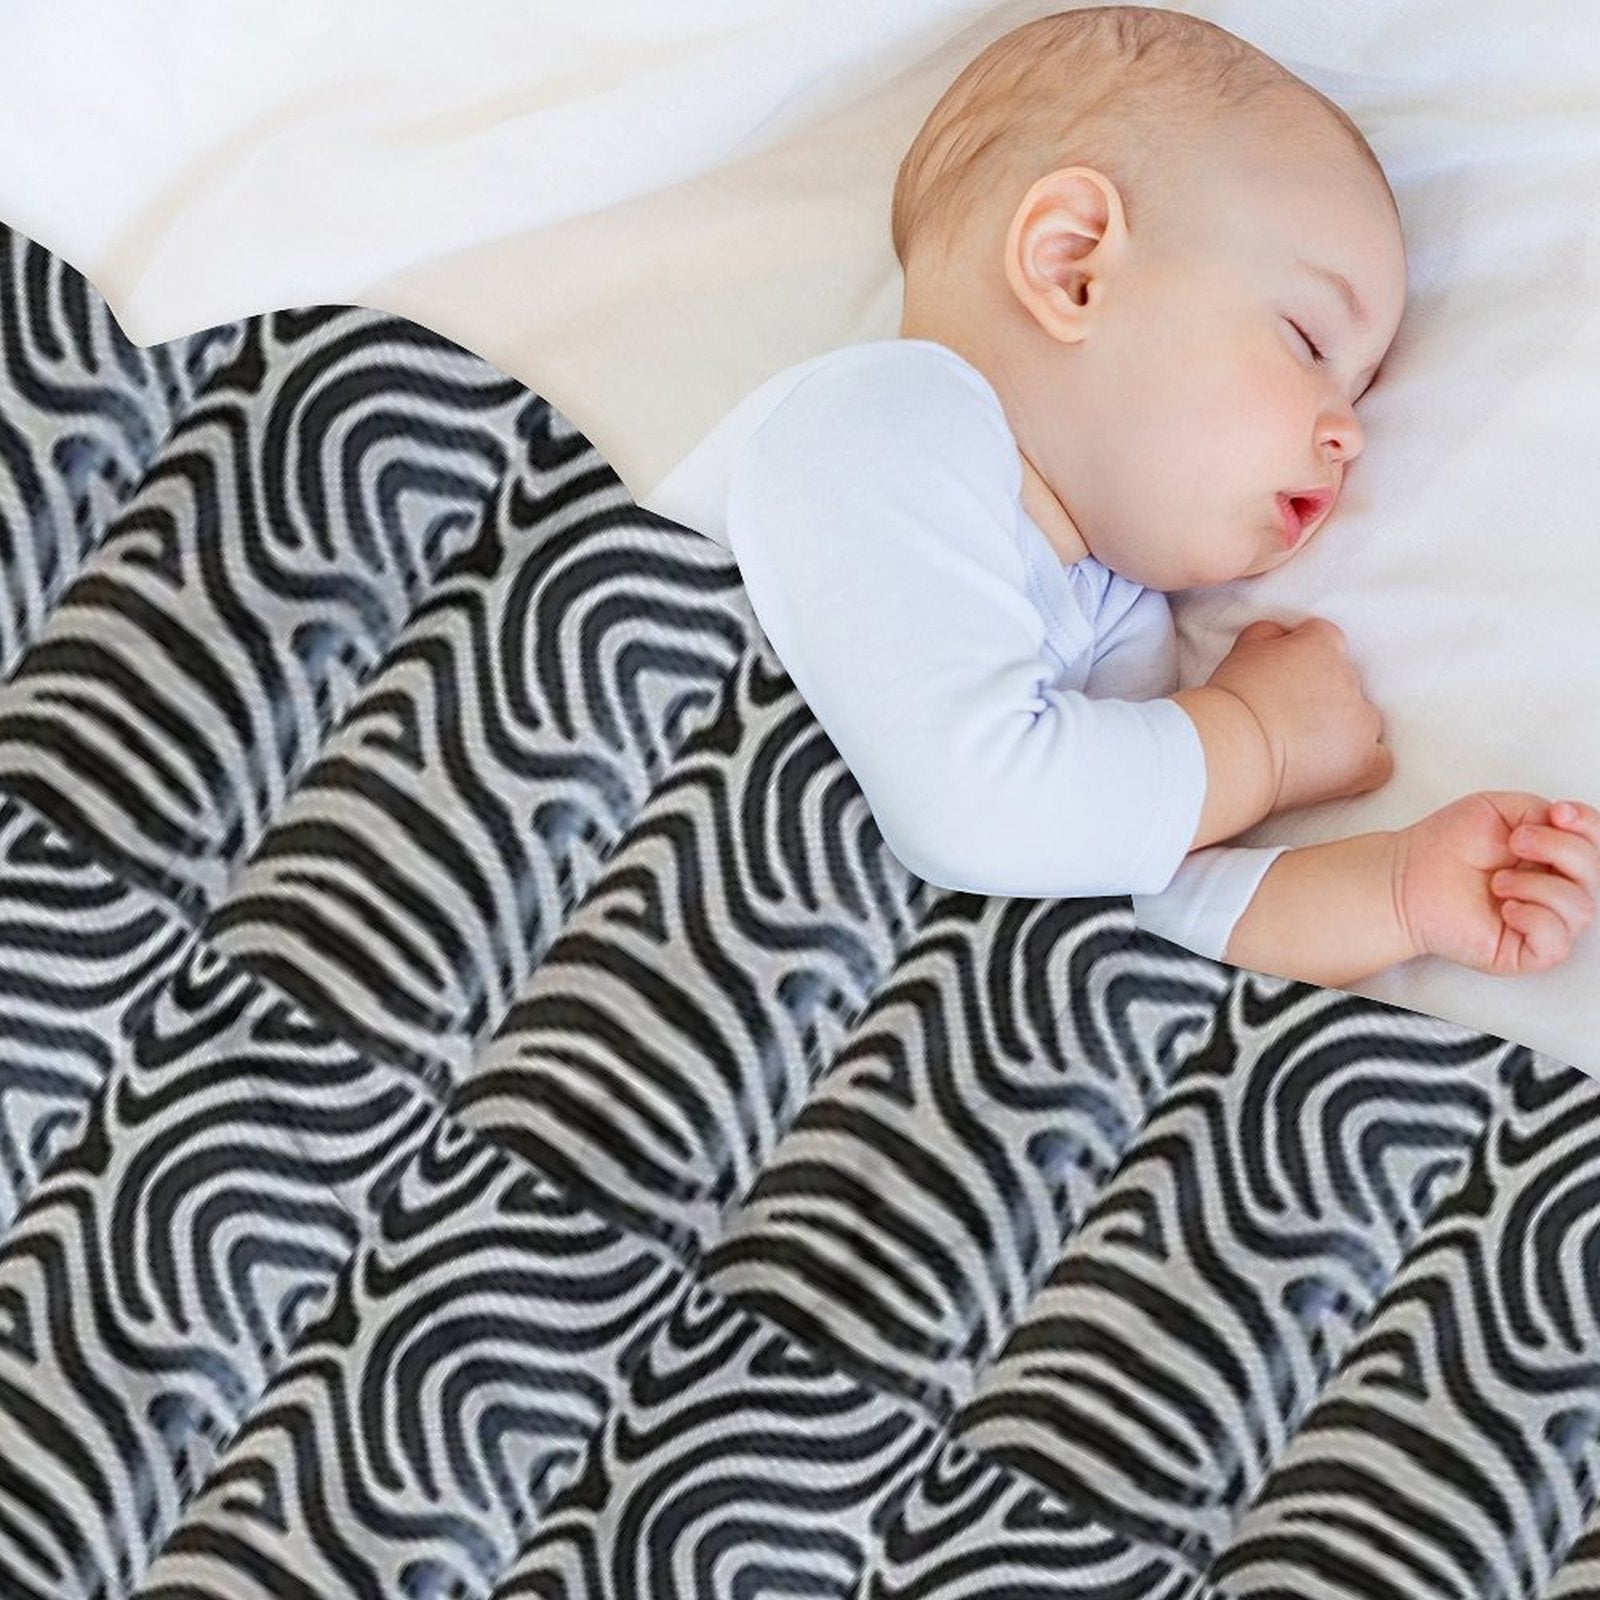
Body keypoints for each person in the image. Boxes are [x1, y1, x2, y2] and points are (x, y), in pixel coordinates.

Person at [651, 5, 1598, 989]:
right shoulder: (880, 422)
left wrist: (1398, 893)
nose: (1347, 432)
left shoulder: (1109, 609)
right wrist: (1257, 740)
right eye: (1309, 342)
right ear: (1072, 267)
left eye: (1357, 393)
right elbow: (976, 808)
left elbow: (1128, 894)